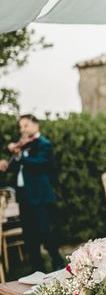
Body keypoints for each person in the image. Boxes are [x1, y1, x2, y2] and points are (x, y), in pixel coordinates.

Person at [0, 115, 65, 272]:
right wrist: (6, 164)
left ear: (36, 124)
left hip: (40, 196)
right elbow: (16, 166)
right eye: (21, 127)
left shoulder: (44, 144)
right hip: (24, 196)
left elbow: (40, 165)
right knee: (29, 235)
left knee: (45, 232)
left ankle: (57, 261)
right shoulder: (22, 146)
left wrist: (20, 156)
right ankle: (37, 268)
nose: (23, 129)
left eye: (26, 125)